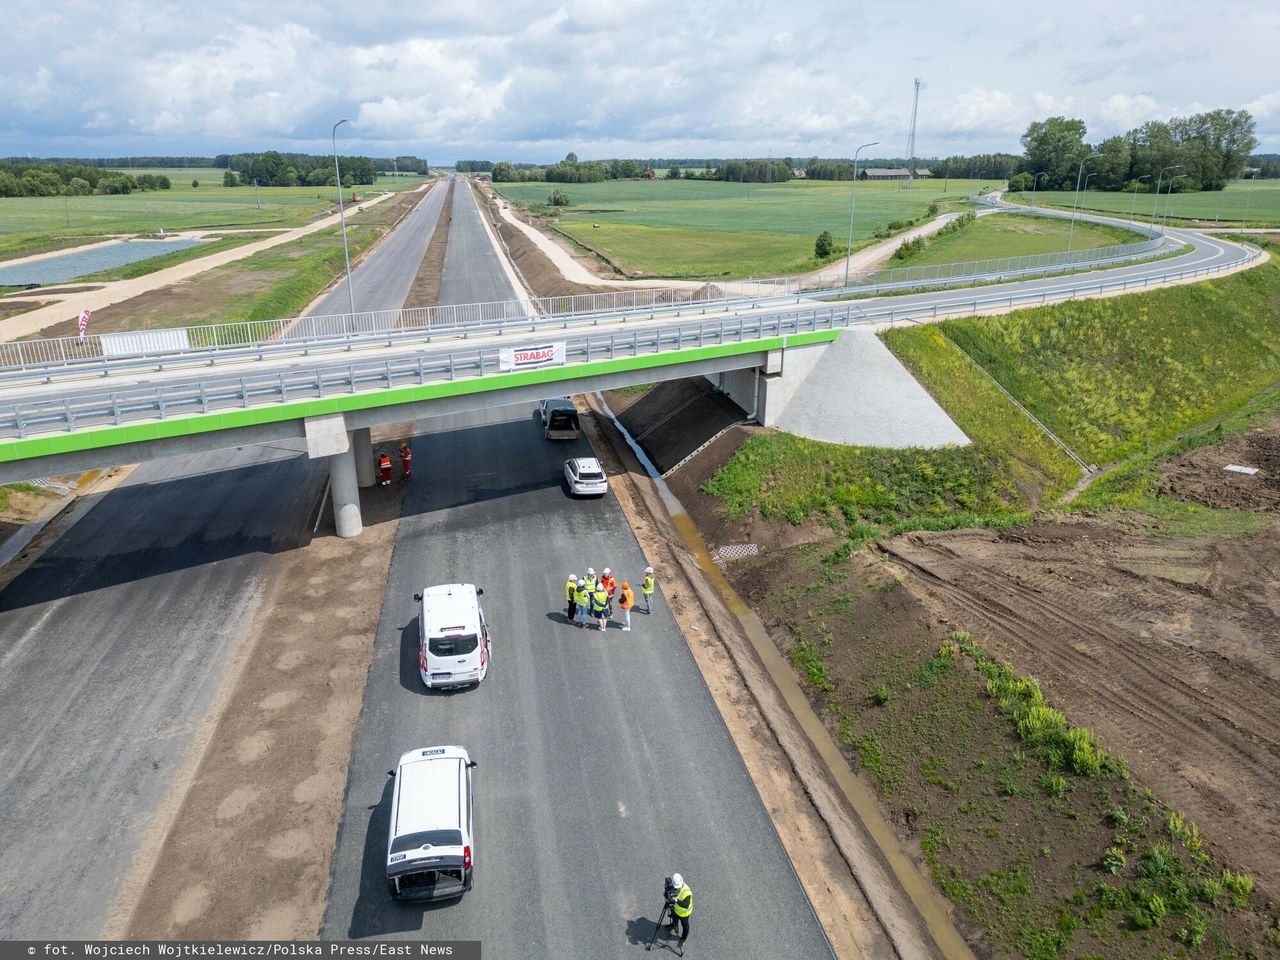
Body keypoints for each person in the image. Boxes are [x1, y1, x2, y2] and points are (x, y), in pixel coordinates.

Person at [667, 873, 692, 946]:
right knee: (674, 918)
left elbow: (686, 905)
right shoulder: (674, 887)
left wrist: (676, 900)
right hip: (675, 909)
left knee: (685, 926)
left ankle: (683, 939)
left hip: (684, 913)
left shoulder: (687, 892)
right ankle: (674, 925)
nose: (677, 888)